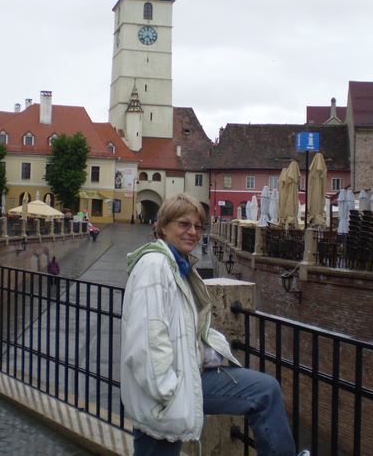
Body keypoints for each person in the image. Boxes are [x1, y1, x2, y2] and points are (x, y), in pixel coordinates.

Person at [121, 193, 306, 456]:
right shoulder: (155, 267)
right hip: (163, 391)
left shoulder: (177, 265)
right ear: (163, 226)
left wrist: (206, 351)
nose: (193, 232)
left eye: (198, 226)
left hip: (182, 376)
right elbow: (147, 340)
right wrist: (169, 394)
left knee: (264, 391)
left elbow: (179, 327)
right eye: (184, 224)